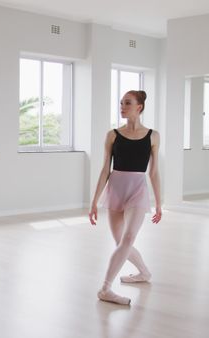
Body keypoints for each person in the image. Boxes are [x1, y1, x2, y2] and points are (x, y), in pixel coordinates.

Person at [88, 90, 162, 305]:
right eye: (121, 103)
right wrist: (94, 202)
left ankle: (105, 288)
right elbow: (105, 170)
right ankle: (144, 272)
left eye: (127, 103)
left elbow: (154, 172)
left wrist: (158, 203)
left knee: (128, 239)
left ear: (139, 107)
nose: (122, 106)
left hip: (138, 189)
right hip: (116, 189)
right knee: (121, 241)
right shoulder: (112, 135)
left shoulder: (153, 136)